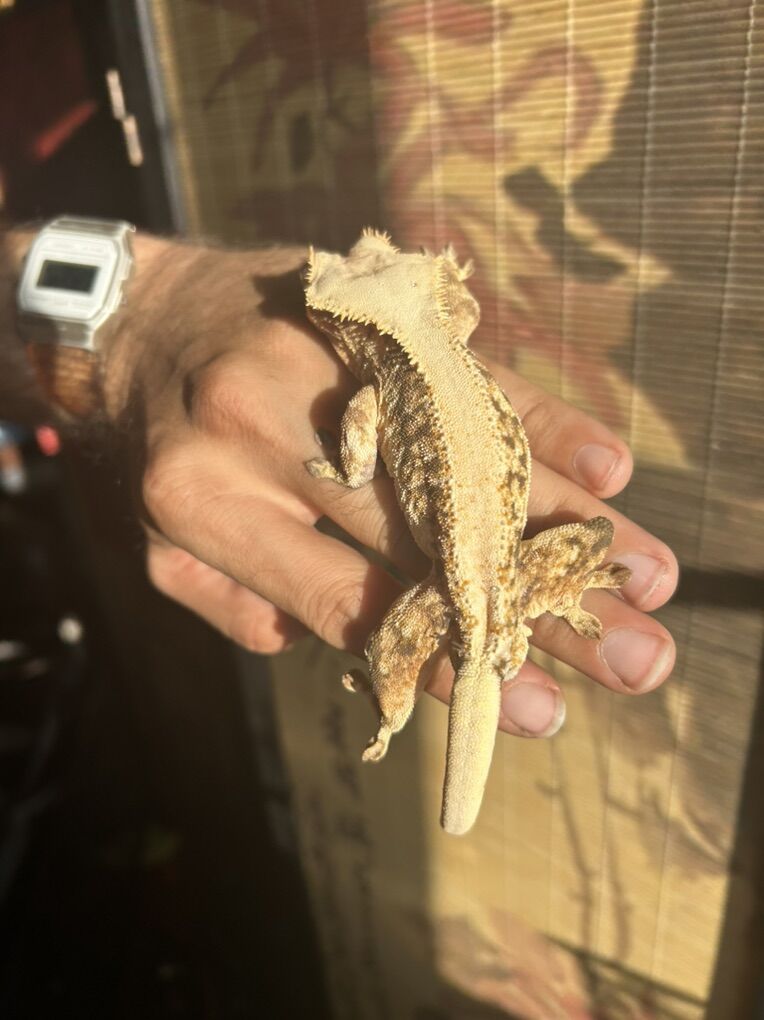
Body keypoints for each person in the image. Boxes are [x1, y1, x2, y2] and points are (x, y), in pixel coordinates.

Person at [0, 225, 677, 738]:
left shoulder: (377, 386)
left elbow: (358, 451)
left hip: (469, 577)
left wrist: (348, 471)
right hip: (509, 565)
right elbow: (461, 314)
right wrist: (153, 295)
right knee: (595, 535)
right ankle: (563, 589)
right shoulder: (448, 326)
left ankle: (391, 712)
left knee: (406, 647)